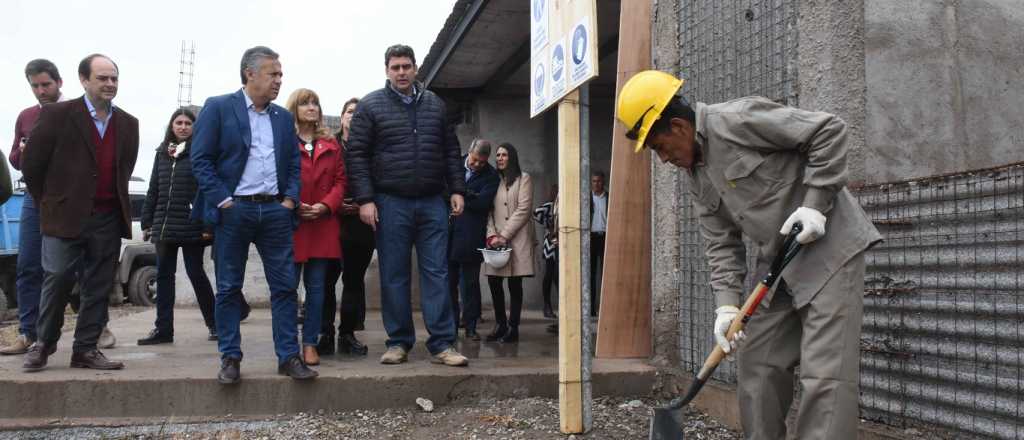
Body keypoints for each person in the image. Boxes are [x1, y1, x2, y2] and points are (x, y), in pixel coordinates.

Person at [615, 70, 882, 440]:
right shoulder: (695, 176)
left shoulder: (736, 120)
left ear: (678, 126)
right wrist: (726, 307)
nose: (662, 158)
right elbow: (721, 243)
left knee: (825, 377)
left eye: (659, 147)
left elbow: (829, 130)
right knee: (757, 365)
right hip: (779, 264)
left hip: (830, 250)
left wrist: (815, 203)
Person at [190, 46, 316, 384]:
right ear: (250, 74)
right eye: (272, 74)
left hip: (275, 212)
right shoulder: (218, 108)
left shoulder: (280, 118)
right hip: (235, 212)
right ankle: (230, 358)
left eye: (280, 75)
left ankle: (288, 357)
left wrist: (289, 200)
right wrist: (224, 201)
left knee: (285, 287)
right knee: (229, 288)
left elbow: (292, 164)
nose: (279, 80)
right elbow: (200, 160)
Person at [346, 44, 469, 367]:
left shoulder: (435, 105)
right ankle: (398, 342)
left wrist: (458, 189)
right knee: (394, 274)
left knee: (437, 272)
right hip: (390, 202)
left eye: (406, 66)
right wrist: (366, 199)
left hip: (432, 201)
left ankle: (443, 344)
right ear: (386, 70)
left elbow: (450, 151)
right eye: (395, 67)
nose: (401, 72)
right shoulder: (371, 106)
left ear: (416, 69)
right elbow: (356, 154)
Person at [21, 54, 140, 372]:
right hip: (64, 216)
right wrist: (50, 202)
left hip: (106, 218)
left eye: (114, 78)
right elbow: (33, 165)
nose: (110, 84)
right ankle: (43, 344)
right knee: (57, 278)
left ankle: (85, 349)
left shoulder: (128, 124)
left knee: (99, 285)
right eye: (102, 78)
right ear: (84, 80)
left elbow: (123, 170)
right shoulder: (58, 115)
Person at [137, 108, 218, 345]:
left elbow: (206, 189)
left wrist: (207, 224)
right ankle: (163, 330)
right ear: (171, 126)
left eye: (187, 123)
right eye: (178, 122)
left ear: (195, 127)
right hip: (164, 226)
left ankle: (215, 324)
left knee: (196, 273)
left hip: (192, 225)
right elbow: (154, 188)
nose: (183, 126)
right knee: (164, 277)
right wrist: (147, 221)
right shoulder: (162, 153)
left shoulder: (201, 153)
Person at [1, 59, 63, 356]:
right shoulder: (26, 116)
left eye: (46, 85)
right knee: (28, 265)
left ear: (59, 83)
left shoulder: (74, 111)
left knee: (70, 268)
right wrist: (24, 152)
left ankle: (95, 327)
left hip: (66, 198)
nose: (41, 91)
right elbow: (13, 158)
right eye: (35, 86)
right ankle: (28, 333)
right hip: (33, 198)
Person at [285, 88, 347, 366]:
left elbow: (341, 182)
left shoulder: (331, 144)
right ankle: (288, 345)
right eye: (305, 103)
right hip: (293, 223)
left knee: (318, 288)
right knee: (287, 288)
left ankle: (310, 343)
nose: (312, 107)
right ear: (294, 109)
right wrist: (295, 203)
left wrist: (324, 205)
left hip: (322, 224)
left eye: (315, 103)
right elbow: (276, 176)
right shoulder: (284, 142)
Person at [320, 97, 370, 356]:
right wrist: (336, 205)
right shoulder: (329, 145)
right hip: (332, 220)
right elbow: (320, 179)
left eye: (358, 112)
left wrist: (364, 203)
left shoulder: (372, 147)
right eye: (349, 111)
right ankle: (324, 333)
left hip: (361, 223)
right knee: (326, 280)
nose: (353, 115)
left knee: (353, 281)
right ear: (341, 117)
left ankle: (347, 334)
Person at [483, 143, 536, 343]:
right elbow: (488, 211)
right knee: (494, 281)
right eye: (497, 155)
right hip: (495, 240)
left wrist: (504, 235)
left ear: (511, 157)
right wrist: (491, 235)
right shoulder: (492, 180)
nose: (500, 158)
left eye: (504, 154)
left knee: (515, 283)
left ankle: (513, 327)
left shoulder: (524, 179)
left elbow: (523, 209)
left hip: (518, 239)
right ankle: (500, 324)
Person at [447, 139, 499, 341]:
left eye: (482, 162)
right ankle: (450, 326)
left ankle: (470, 327)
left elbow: (482, 203)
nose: (477, 165)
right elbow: (444, 191)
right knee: (449, 283)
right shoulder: (453, 166)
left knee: (470, 284)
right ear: (469, 152)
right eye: (475, 160)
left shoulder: (491, 176)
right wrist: (469, 195)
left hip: (471, 234)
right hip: (449, 233)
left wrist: (459, 194)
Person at [532, 184, 558, 319]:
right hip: (551, 244)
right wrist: (548, 225)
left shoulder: (567, 205)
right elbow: (536, 213)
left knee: (558, 276)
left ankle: (561, 306)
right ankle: (547, 306)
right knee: (549, 274)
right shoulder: (550, 205)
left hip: (564, 245)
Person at [589, 170, 607, 317]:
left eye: (599, 181)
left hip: (605, 237)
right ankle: (590, 309)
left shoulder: (609, 197)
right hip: (591, 238)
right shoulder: (586, 198)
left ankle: (605, 306)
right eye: (594, 181)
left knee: (605, 273)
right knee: (591, 274)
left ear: (603, 182)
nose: (596, 184)